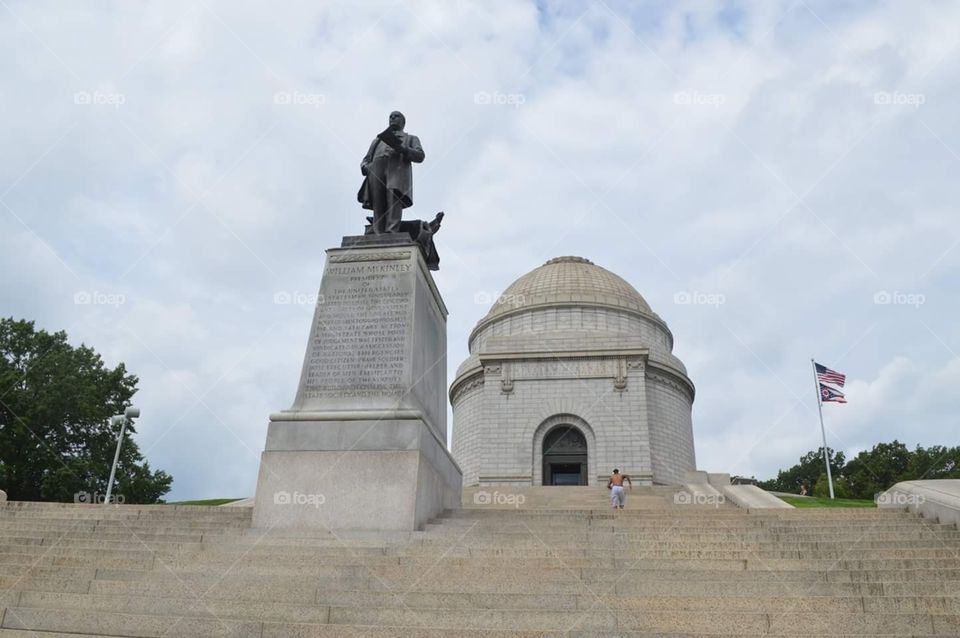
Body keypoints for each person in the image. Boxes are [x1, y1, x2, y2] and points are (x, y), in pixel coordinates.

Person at [358, 111, 425, 234]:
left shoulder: (411, 138)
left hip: (396, 170)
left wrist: (403, 149)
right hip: (376, 169)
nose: (393, 118)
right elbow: (365, 160)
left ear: (403, 122)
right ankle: (377, 230)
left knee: (393, 198)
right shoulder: (377, 140)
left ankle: (391, 230)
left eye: (396, 116)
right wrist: (367, 167)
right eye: (391, 116)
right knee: (377, 200)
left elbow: (420, 156)